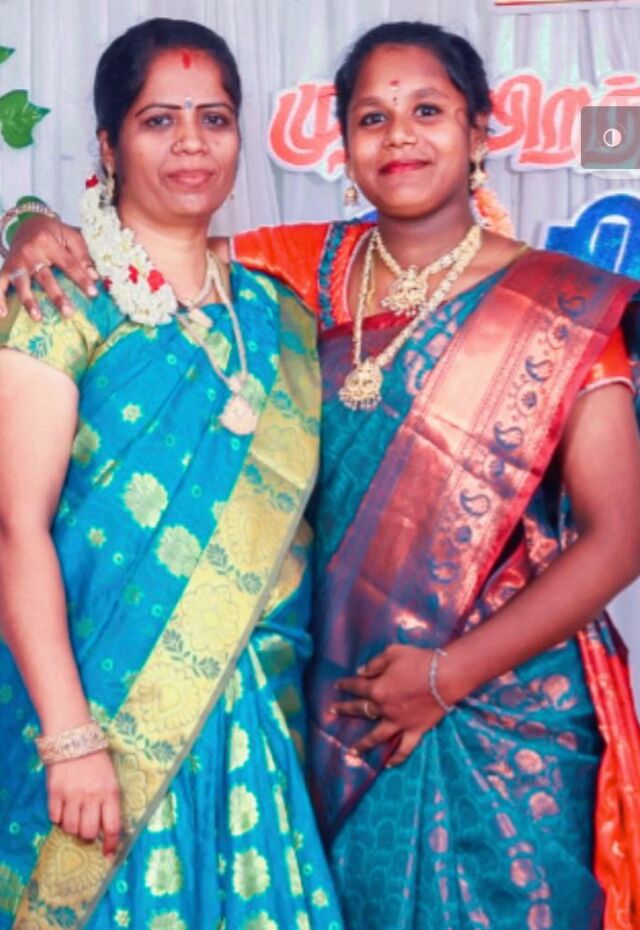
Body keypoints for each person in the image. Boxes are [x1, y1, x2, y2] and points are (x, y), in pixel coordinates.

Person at [3, 19, 640, 930]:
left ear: (480, 131)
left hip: (511, 711)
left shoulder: (562, 302)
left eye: (429, 111)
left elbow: (621, 536)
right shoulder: (306, 271)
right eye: (373, 117)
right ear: (342, 143)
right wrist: (27, 223)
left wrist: (448, 676)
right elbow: (153, 245)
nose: (401, 136)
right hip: (346, 707)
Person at [0, 18, 345, 930]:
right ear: (109, 145)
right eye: (159, 121)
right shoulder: (59, 304)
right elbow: (13, 530)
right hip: (96, 721)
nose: (192, 143)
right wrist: (71, 739)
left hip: (256, 723)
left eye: (214, 118)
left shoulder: (282, 314)